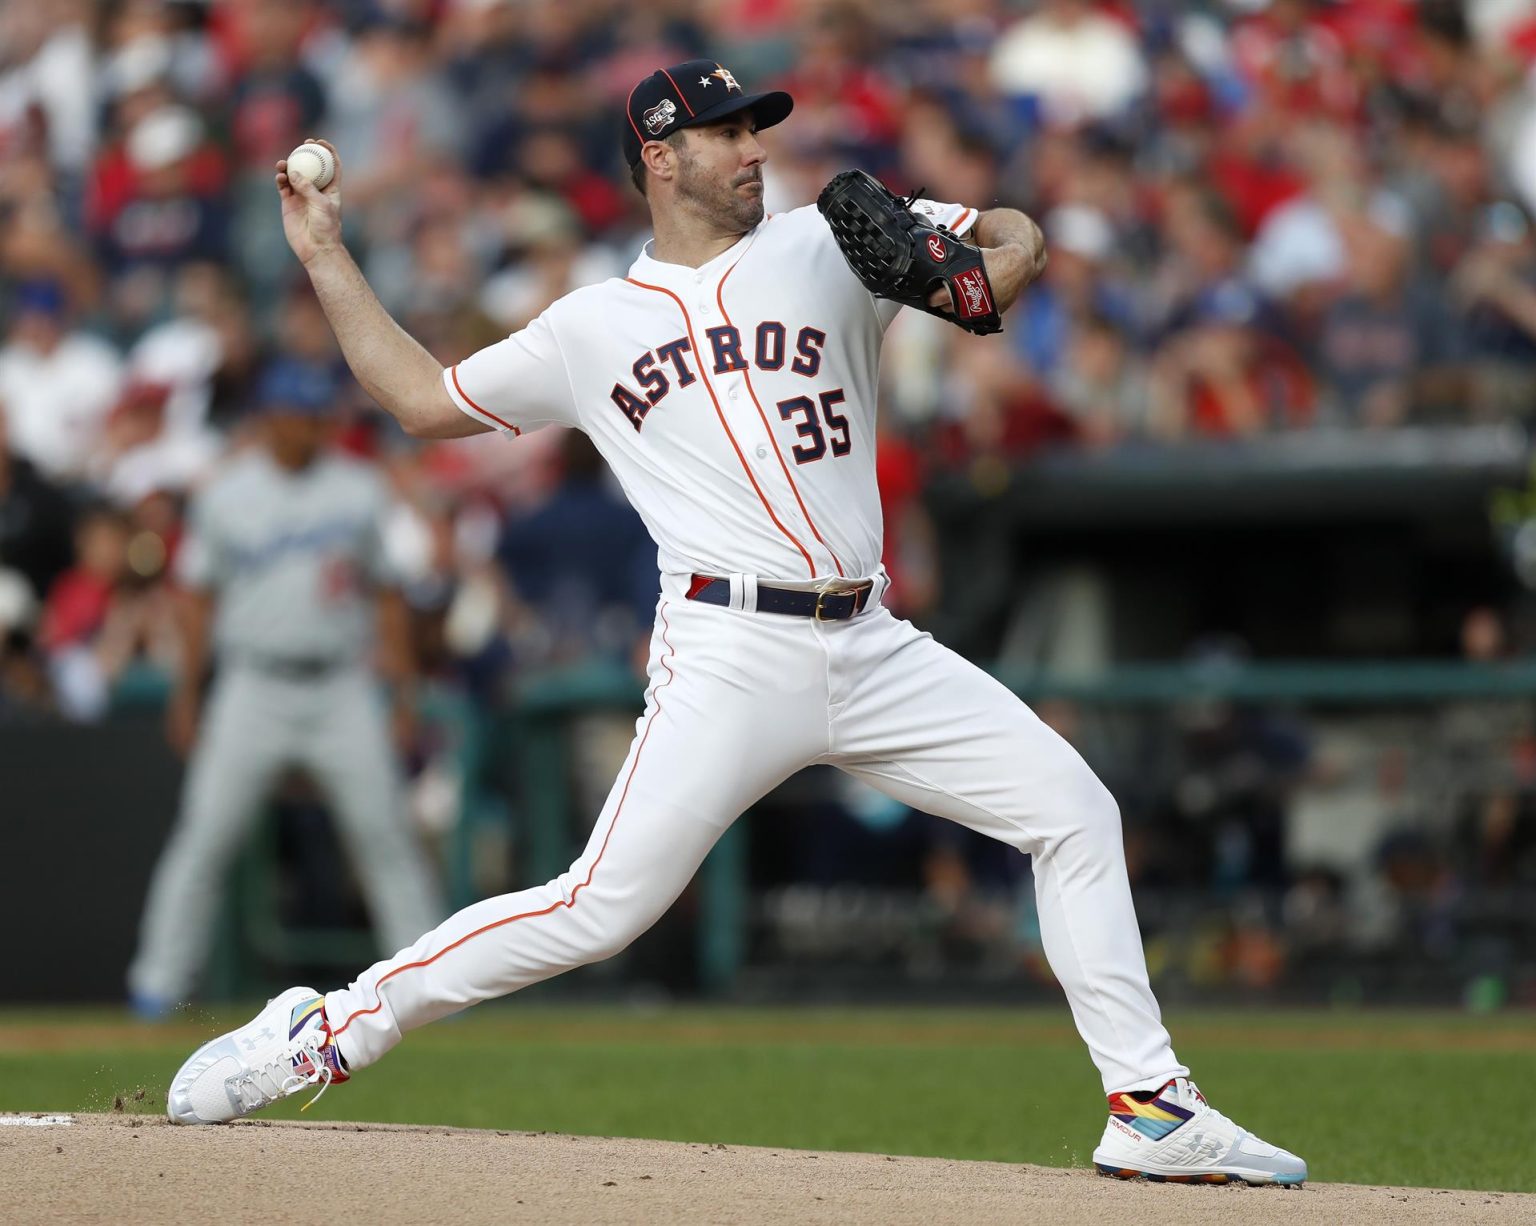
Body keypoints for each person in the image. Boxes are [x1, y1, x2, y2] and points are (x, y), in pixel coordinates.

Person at [165, 60, 1306, 1187]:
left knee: (1073, 810)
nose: (753, 147)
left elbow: (1009, 244)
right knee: (596, 907)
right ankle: (327, 1028)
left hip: (873, 641)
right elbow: (420, 399)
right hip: (731, 651)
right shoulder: (590, 326)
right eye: (726, 133)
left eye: (756, 128)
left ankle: (1150, 1106)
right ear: (661, 157)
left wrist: (995, 253)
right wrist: (321, 250)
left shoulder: (830, 236)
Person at [127, 358, 444, 1017]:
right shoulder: (226, 493)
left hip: (340, 685)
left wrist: (404, 694)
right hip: (253, 684)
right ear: (269, 418)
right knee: (206, 836)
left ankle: (429, 989)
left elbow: (387, 599)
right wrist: (189, 694)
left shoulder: (357, 489)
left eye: (315, 415)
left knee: (385, 832)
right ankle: (157, 984)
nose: (307, 427)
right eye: (295, 414)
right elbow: (197, 602)